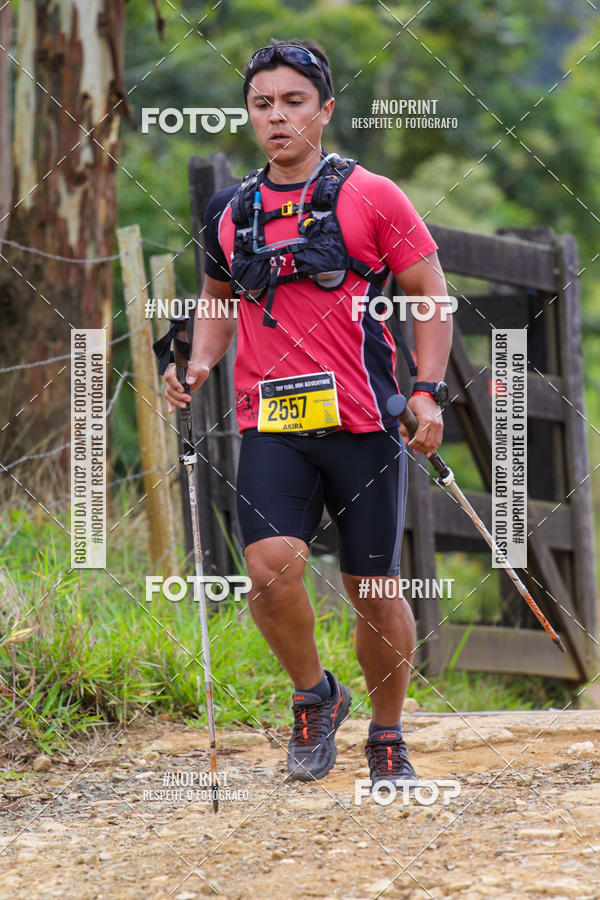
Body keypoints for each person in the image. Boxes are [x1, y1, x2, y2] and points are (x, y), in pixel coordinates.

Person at [164, 39, 452, 789]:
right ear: (250, 115)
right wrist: (196, 361)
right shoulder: (231, 212)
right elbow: (217, 305)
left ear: (324, 109)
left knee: (374, 589)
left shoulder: (374, 196)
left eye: (294, 101)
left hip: (364, 423)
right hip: (273, 423)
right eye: (263, 104)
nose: (277, 116)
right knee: (269, 568)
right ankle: (314, 695)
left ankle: (387, 735)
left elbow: (428, 290)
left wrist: (426, 388)